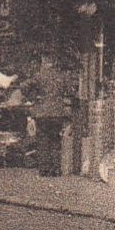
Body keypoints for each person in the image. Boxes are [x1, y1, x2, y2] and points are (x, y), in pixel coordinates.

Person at [28, 49, 77, 177]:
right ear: (54, 62)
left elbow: (24, 86)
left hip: (42, 112)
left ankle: (45, 169)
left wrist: (34, 97)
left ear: (44, 60)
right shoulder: (61, 76)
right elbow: (71, 91)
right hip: (57, 112)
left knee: (43, 140)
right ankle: (56, 168)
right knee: (55, 139)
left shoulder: (39, 75)